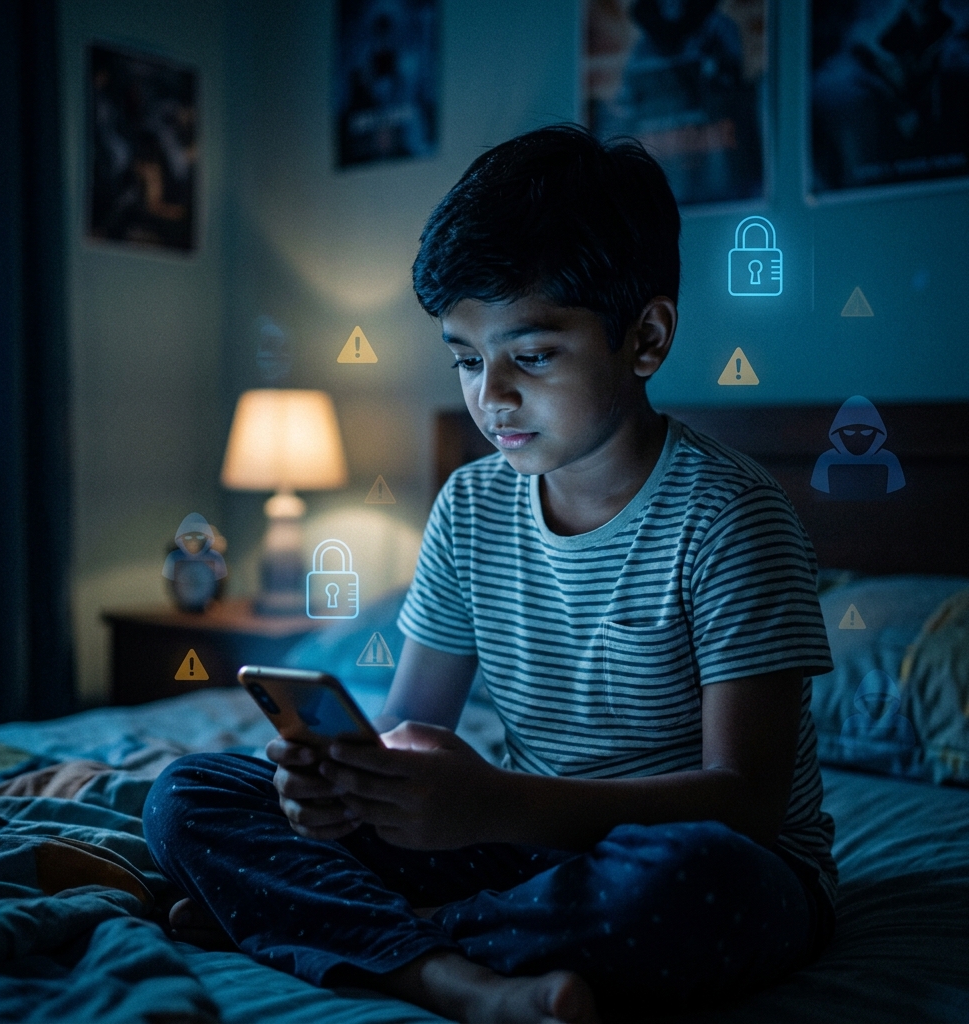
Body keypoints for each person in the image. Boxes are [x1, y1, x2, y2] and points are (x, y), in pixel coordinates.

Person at [144, 125, 837, 1023]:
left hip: (706, 862)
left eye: (533, 356)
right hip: (520, 850)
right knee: (188, 794)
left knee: (699, 883)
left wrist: (494, 803)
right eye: (467, 360)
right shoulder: (471, 508)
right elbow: (408, 731)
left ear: (646, 337)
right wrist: (348, 787)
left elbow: (745, 804)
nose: (491, 396)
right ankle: (448, 972)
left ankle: (358, 935)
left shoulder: (730, 517)